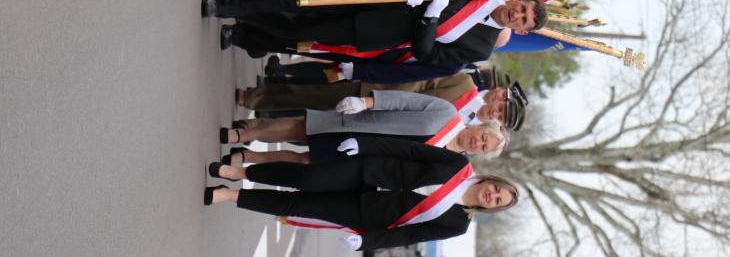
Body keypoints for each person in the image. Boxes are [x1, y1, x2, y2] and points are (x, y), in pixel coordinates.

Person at [204, 136, 519, 251]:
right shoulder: (458, 165)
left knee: (299, 205)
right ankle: (243, 173)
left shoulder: (457, 224)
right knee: (306, 178)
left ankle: (230, 196)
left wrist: (367, 242)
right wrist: (365, 144)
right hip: (367, 170)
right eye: (496, 189)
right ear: (491, 181)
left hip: (367, 212)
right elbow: (410, 150)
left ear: (492, 208)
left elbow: (410, 235)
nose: (492, 195)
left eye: (497, 201)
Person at [201, 0, 549, 65]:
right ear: (518, 0)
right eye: (522, 9)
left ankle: (247, 18)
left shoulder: (481, 48)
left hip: (375, 30)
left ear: (521, 31)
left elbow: (427, 53)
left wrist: (431, 18)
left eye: (523, 21)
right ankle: (226, 3)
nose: (517, 16)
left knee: (296, 31)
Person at [219, 90, 508, 165]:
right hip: (363, 123)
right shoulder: (447, 113)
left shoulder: (449, 160)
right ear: (480, 127)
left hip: (365, 155)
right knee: (300, 129)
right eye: (484, 137)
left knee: (306, 160)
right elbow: (404, 101)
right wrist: (367, 102)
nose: (478, 143)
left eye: (483, 148)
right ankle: (246, 133)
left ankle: (251, 156)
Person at [236, 71, 527, 132]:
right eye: (502, 108)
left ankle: (253, 127)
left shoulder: (471, 134)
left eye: (501, 118)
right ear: (499, 99)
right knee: (313, 96)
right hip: (377, 99)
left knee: (309, 128)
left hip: (382, 128)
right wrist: (379, 100)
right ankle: (255, 97)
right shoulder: (464, 84)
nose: (496, 113)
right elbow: (419, 83)